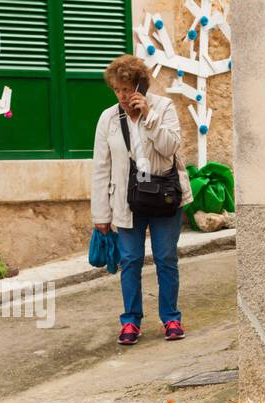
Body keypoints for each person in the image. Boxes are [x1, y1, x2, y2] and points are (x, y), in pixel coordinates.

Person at [92, 55, 192, 345]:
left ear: (140, 85)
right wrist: (101, 214)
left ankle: (171, 318)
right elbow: (101, 166)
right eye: (117, 89)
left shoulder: (163, 107)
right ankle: (130, 321)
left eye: (127, 88)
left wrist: (148, 117)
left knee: (165, 258)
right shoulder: (108, 118)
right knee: (130, 260)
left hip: (164, 197)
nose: (122, 96)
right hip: (127, 200)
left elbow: (171, 146)